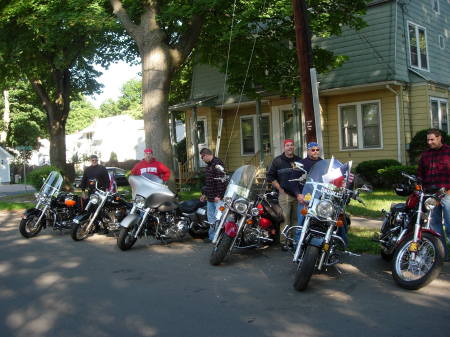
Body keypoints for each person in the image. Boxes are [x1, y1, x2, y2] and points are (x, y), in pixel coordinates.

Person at [417, 128, 450, 260]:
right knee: (434, 226)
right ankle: (442, 254)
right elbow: (420, 174)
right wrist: (419, 186)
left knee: (449, 225)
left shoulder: (449, 152)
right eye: (428, 140)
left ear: (439, 138)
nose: (429, 142)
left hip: (447, 194)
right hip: (430, 196)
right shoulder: (425, 155)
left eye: (432, 139)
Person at [267, 139, 303, 242]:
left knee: (297, 219)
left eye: (291, 145)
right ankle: (284, 241)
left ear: (294, 147)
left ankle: (295, 241)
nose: (290, 147)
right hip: (284, 195)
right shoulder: (277, 161)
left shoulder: (299, 161)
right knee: (285, 219)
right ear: (284, 147)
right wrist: (279, 188)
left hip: (298, 195)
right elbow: (270, 176)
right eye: (287, 145)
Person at [199, 148, 228, 242]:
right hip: (210, 197)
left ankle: (220, 238)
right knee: (211, 218)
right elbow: (208, 182)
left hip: (217, 198)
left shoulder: (217, 164)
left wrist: (219, 195)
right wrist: (204, 194)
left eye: (202, 157)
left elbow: (222, 181)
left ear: (206, 155)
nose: (202, 159)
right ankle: (212, 237)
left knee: (219, 218)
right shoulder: (208, 166)